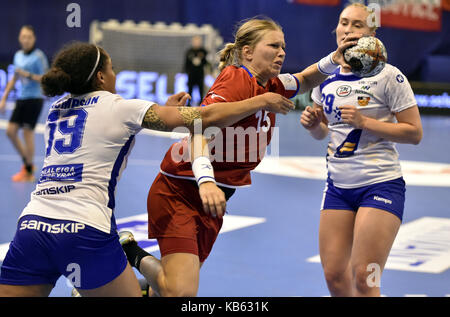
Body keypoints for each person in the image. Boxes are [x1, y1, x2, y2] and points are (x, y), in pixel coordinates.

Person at [0, 41, 295, 297]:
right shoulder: (121, 106)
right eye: (112, 69)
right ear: (101, 77)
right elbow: (201, 117)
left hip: (32, 227)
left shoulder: (56, 110)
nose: (116, 75)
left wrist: (158, 109)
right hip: (85, 230)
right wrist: (260, 100)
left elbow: (103, 129)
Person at [120, 16, 358, 297]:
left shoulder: (271, 84)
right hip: (181, 191)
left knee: (171, 286)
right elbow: (199, 128)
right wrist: (206, 181)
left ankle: (129, 288)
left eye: (283, 46)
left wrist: (335, 57)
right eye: (273, 46)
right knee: (181, 292)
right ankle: (127, 251)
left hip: (215, 201)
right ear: (247, 52)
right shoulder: (236, 80)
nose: (282, 52)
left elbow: (305, 79)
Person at [300, 3, 423, 297]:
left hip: (380, 184)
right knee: (334, 277)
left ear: (372, 33)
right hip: (338, 187)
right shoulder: (325, 77)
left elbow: (414, 133)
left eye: (358, 25)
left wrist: (364, 121)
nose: (349, 30)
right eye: (345, 23)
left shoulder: (389, 76)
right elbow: (324, 135)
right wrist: (313, 124)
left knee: (364, 276)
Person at [0, 25, 49, 182]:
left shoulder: (38, 56)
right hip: (21, 99)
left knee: (27, 133)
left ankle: (28, 171)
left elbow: (45, 78)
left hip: (34, 100)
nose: (26, 40)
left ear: (33, 39)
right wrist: (3, 99)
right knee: (10, 132)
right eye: (23, 37)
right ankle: (27, 163)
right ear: (20, 39)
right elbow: (14, 78)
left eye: (29, 37)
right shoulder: (18, 55)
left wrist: (27, 74)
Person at [184, 35, 209, 106]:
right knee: (190, 89)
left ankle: (201, 102)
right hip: (191, 74)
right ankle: (188, 103)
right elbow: (186, 63)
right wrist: (185, 72)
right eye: (195, 41)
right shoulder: (189, 51)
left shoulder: (203, 51)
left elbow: (206, 62)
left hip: (200, 74)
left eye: (198, 41)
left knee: (200, 89)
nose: (196, 43)